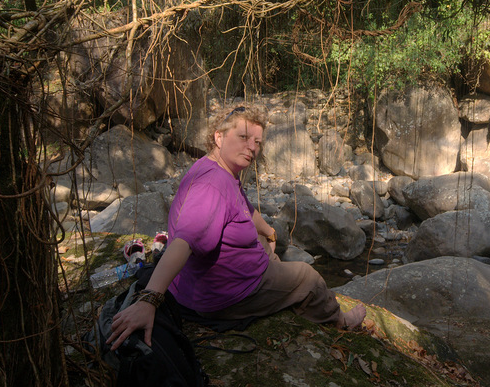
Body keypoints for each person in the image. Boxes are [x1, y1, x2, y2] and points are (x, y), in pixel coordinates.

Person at [107, 104, 366, 350]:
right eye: (243, 137)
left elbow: (242, 205)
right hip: (223, 296)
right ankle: (340, 321)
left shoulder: (218, 168)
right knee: (307, 277)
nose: (251, 147)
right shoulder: (212, 185)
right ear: (219, 137)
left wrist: (268, 231)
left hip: (210, 283)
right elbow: (184, 241)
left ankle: (276, 278)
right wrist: (150, 300)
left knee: (264, 243)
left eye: (257, 142)